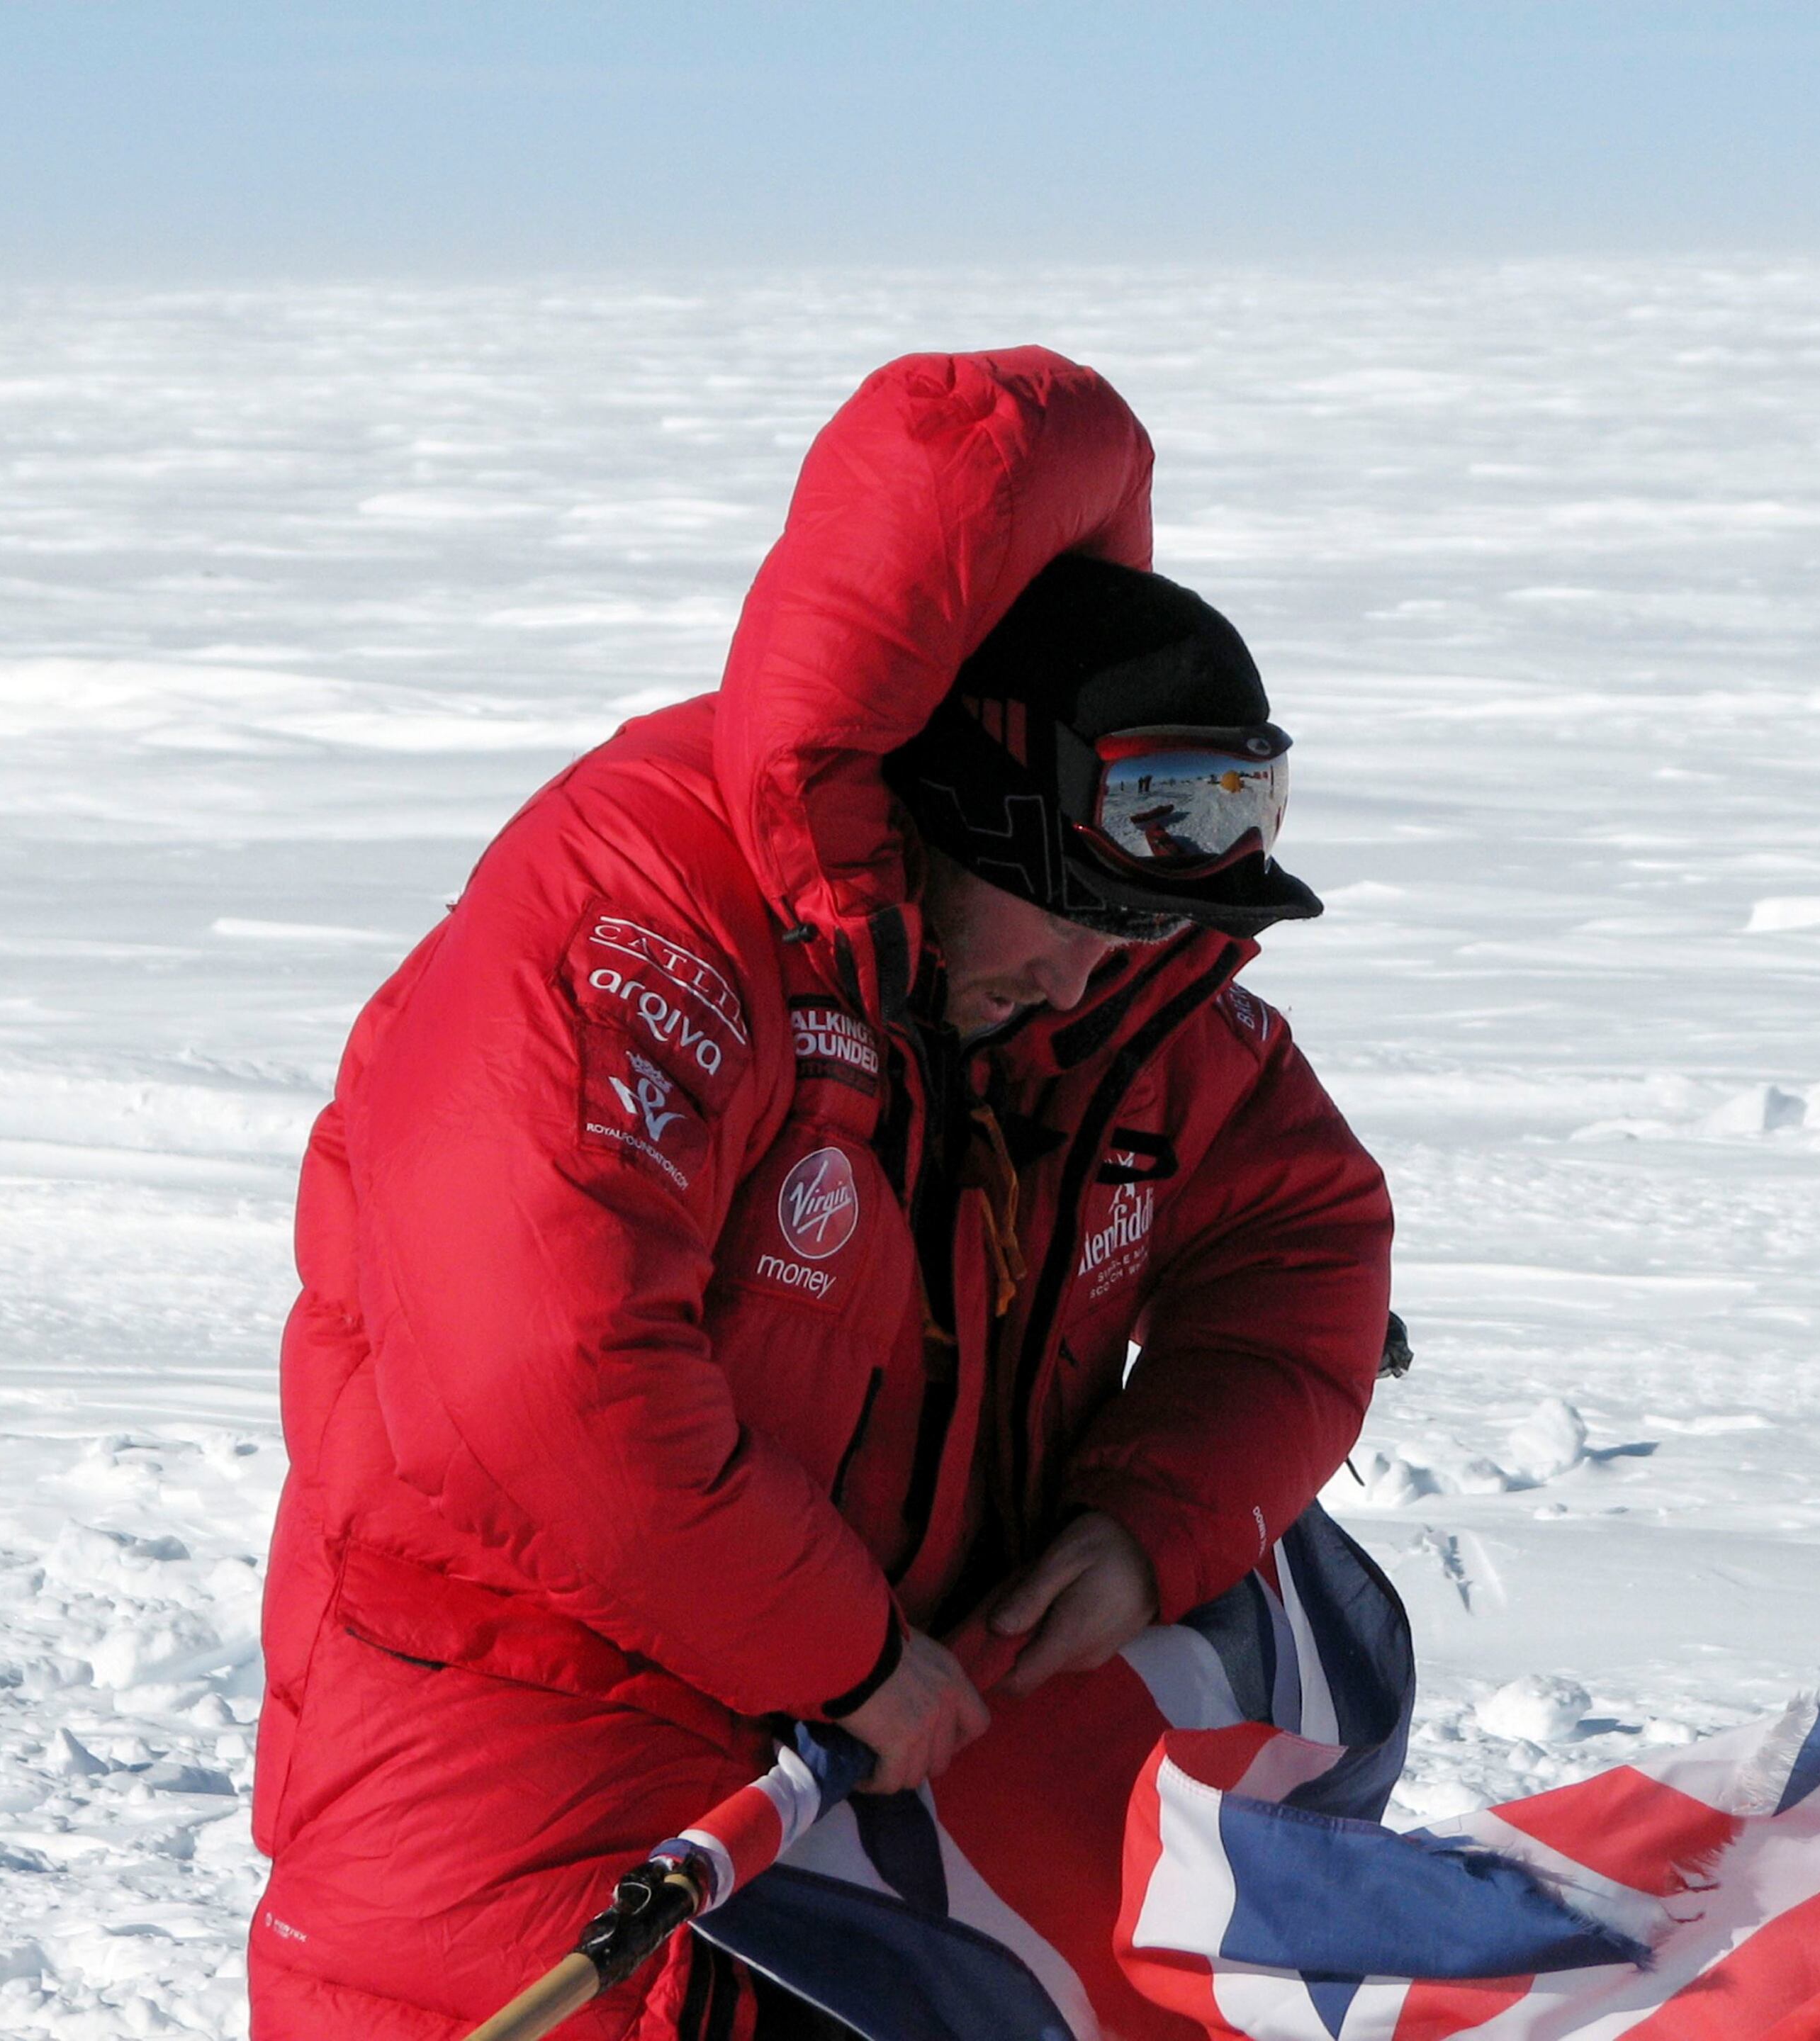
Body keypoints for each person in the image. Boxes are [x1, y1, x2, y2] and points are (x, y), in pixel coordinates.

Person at [246, 349, 1392, 2040]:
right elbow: (545, 1388)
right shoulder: (640, 915)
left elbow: (1302, 1241)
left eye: (1137, 929)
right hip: (543, 1711)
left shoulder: (1096, 984)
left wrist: (1152, 1527)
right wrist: (842, 1656)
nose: (1085, 979)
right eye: (1070, 919)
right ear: (950, 811)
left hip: (899, 1720)